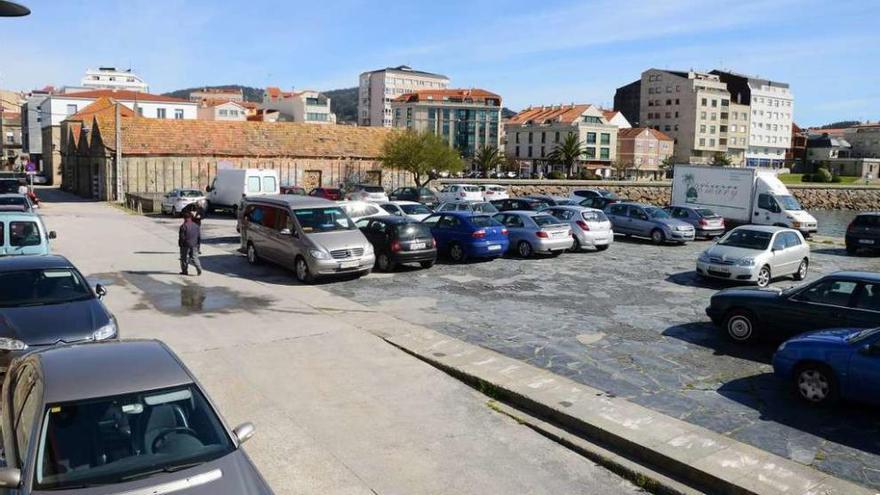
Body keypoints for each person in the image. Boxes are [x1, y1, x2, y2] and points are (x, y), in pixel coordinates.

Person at [178, 212, 202, 276]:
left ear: (184, 218)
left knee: (184, 258)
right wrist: (198, 245)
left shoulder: (183, 226)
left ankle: (184, 271)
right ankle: (199, 269)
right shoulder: (196, 226)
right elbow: (199, 237)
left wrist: (180, 244)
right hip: (194, 244)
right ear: (191, 217)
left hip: (185, 245)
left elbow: (182, 237)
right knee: (194, 258)